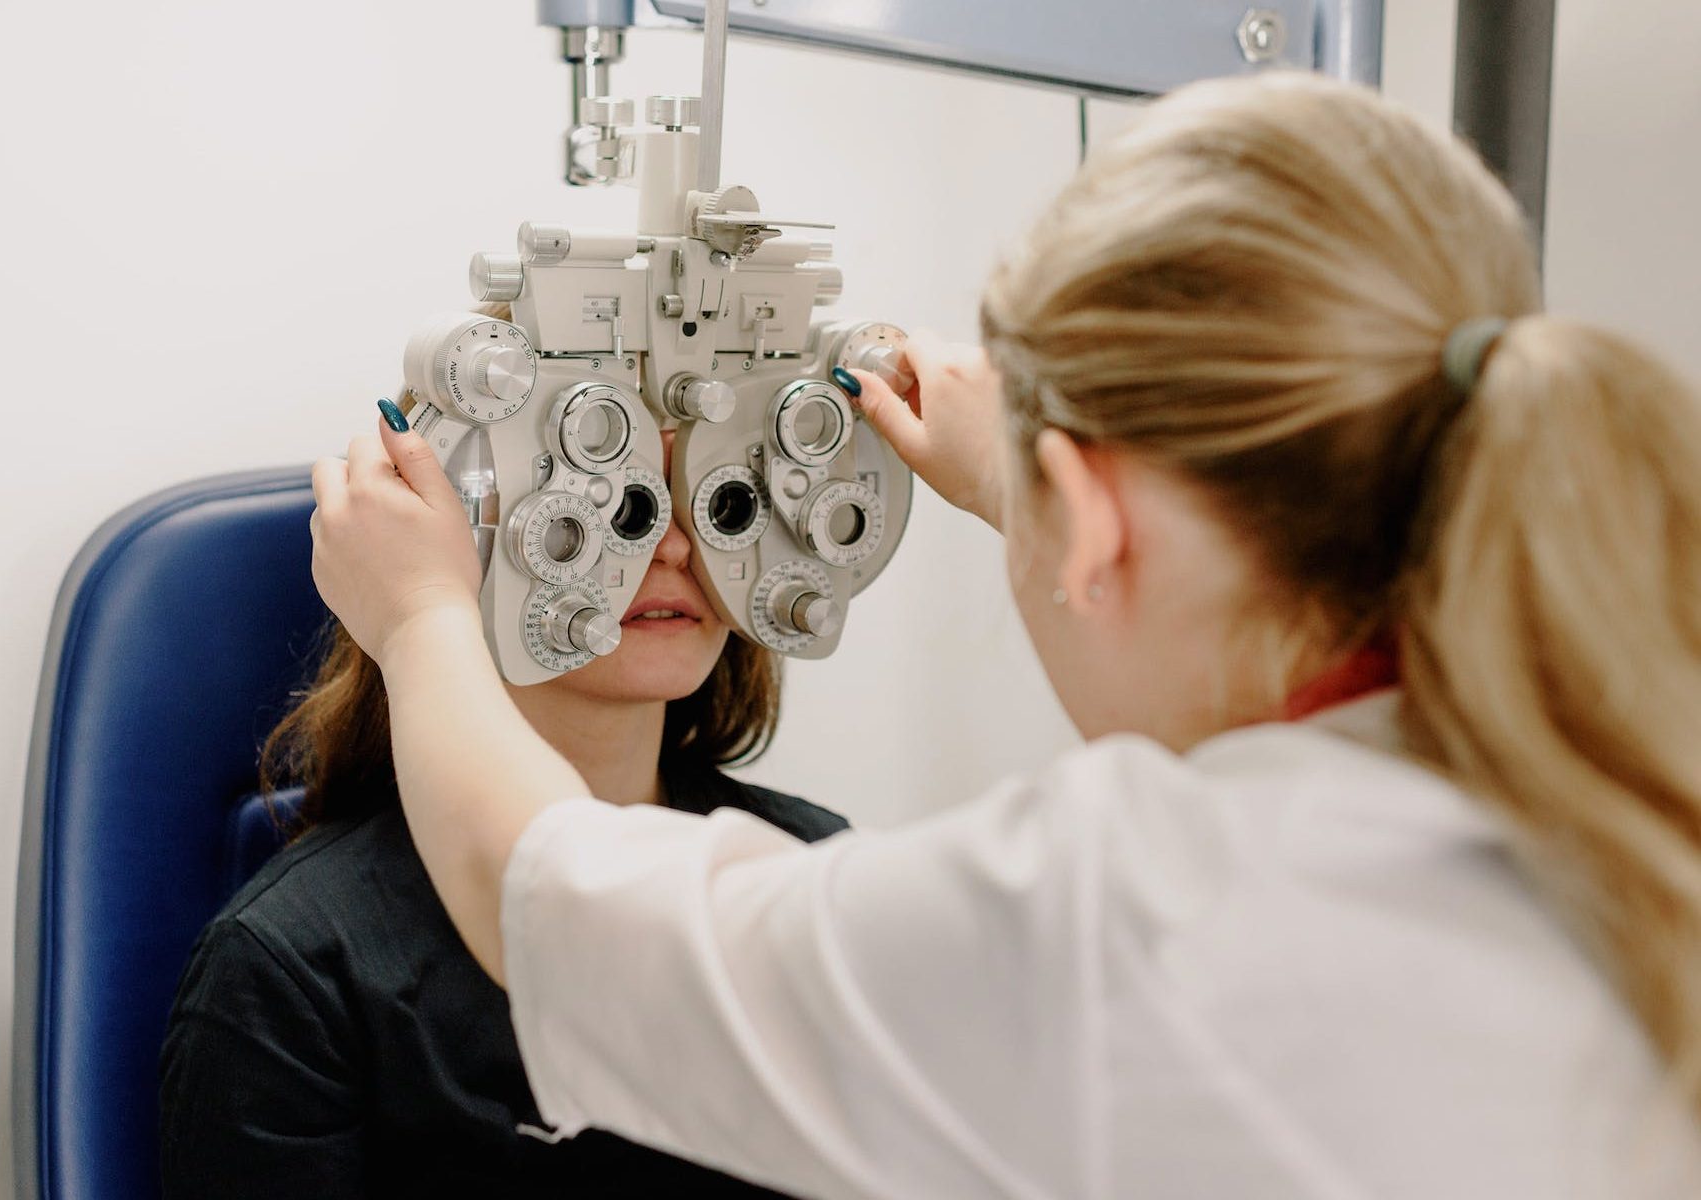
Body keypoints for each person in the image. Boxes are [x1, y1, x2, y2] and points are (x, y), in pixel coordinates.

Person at [307, 72, 1701, 1199]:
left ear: (1091, 523)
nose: (664, 545)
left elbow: (553, 908)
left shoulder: (1133, 927)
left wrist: (424, 615)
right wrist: (1034, 489)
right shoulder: (1624, 775)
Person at [158, 422, 846, 1198]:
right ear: (464, 539)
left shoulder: (814, 867)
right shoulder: (294, 972)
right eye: (616, 504)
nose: (675, 548)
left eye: (717, 500)